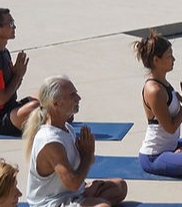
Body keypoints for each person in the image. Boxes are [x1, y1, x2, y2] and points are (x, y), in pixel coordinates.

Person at [22, 75, 127, 207]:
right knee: (103, 206)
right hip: (53, 203)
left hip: (73, 194)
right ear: (56, 103)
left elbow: (79, 171)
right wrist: (87, 156)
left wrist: (86, 154)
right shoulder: (50, 141)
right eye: (72, 95)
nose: (78, 98)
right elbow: (73, 183)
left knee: (119, 186)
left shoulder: (66, 128)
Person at [134, 30, 182, 178]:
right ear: (156, 60)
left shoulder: (164, 83)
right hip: (154, 156)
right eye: (169, 56)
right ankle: (179, 157)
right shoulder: (154, 90)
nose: (173, 59)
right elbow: (170, 127)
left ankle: (178, 154)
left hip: (171, 146)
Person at [0, 8, 39, 137]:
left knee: (50, 93)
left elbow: (11, 90)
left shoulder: (4, 52)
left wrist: (17, 76)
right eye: (10, 24)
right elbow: (0, 100)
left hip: (11, 108)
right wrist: (18, 76)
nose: (14, 27)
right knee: (36, 106)